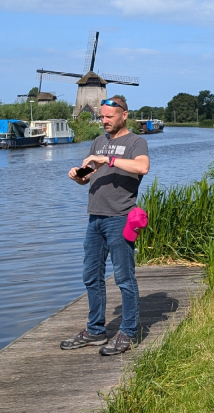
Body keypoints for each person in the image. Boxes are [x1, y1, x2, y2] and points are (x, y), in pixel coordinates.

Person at [60, 96, 150, 356]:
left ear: (124, 115)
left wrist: (107, 160)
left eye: (109, 116)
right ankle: (95, 330)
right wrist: (79, 175)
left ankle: (129, 332)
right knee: (91, 276)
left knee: (124, 278)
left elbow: (142, 167)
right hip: (95, 218)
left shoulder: (136, 142)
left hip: (120, 218)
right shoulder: (99, 142)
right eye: (102, 116)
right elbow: (89, 178)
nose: (104, 120)